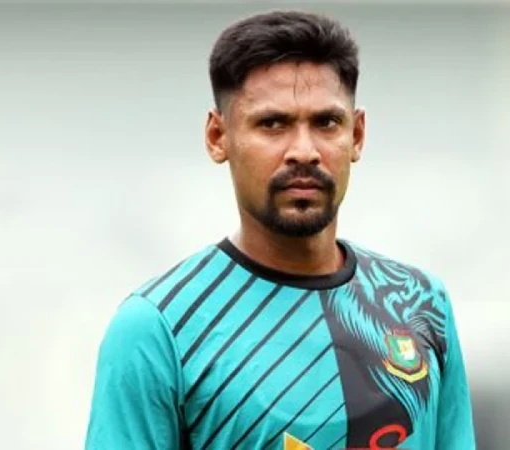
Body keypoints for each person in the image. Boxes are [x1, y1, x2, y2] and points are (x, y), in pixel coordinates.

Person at [84, 9, 475, 450]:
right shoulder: (157, 329)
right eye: (273, 124)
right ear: (217, 137)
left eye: (326, 123)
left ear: (357, 134)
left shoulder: (422, 303)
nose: (304, 151)